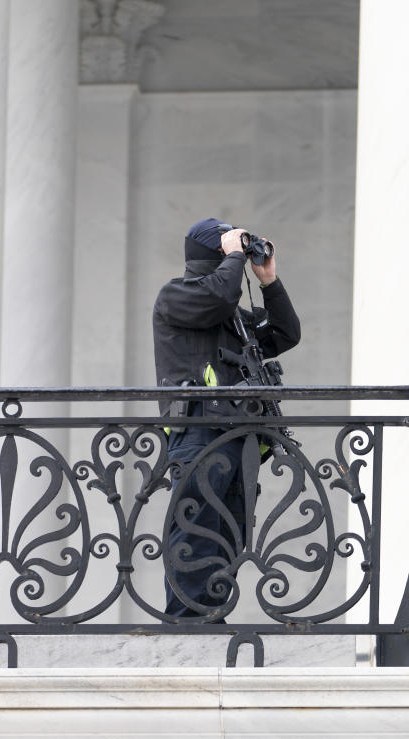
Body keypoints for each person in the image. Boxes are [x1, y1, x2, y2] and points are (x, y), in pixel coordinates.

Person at [151, 217, 302, 619]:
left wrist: (269, 281)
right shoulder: (177, 296)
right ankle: (187, 625)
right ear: (214, 254)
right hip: (199, 433)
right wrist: (234, 255)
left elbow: (286, 334)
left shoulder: (234, 316)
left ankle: (212, 619)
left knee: (228, 535)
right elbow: (216, 296)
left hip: (239, 438)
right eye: (229, 247)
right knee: (195, 527)